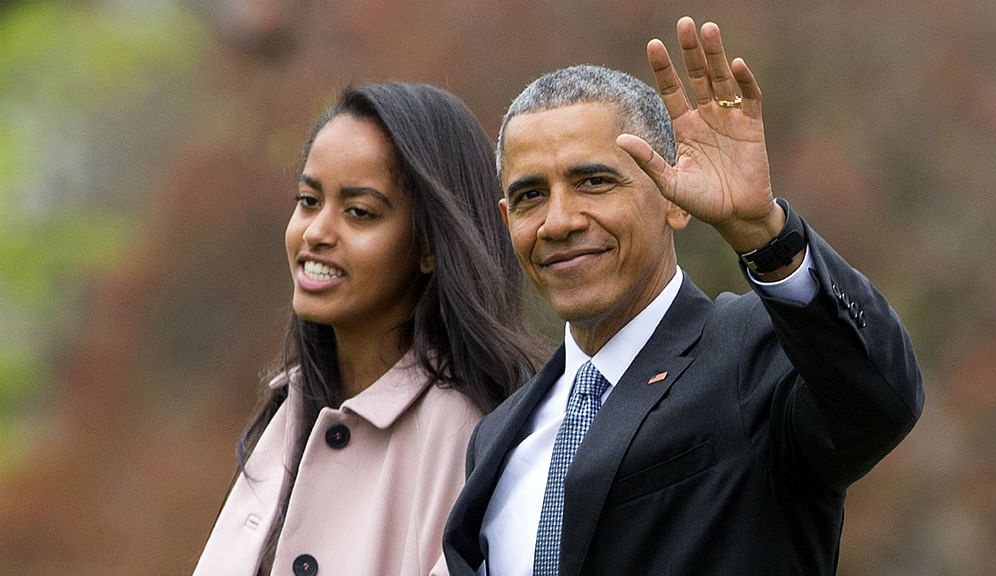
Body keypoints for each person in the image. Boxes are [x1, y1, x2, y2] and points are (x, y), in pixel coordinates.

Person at [443, 16, 923, 576]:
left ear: (673, 198)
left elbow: (879, 400)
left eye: (594, 182)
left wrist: (765, 235)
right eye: (529, 196)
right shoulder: (496, 436)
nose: (559, 221)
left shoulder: (753, 352)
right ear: (506, 221)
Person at [193, 82, 536, 576]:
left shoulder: (464, 434)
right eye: (309, 200)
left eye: (359, 212)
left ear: (430, 246)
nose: (316, 232)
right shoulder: (288, 410)